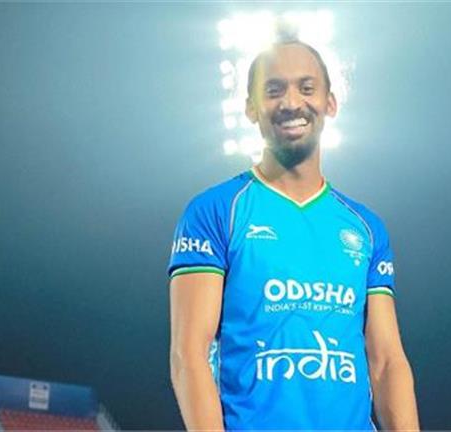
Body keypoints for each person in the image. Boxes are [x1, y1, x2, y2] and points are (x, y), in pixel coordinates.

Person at [168, 36, 419, 431]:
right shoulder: (215, 211)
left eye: (306, 87)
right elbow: (189, 356)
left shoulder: (366, 227)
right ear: (251, 107)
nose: (290, 103)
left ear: (330, 103)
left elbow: (387, 362)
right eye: (273, 90)